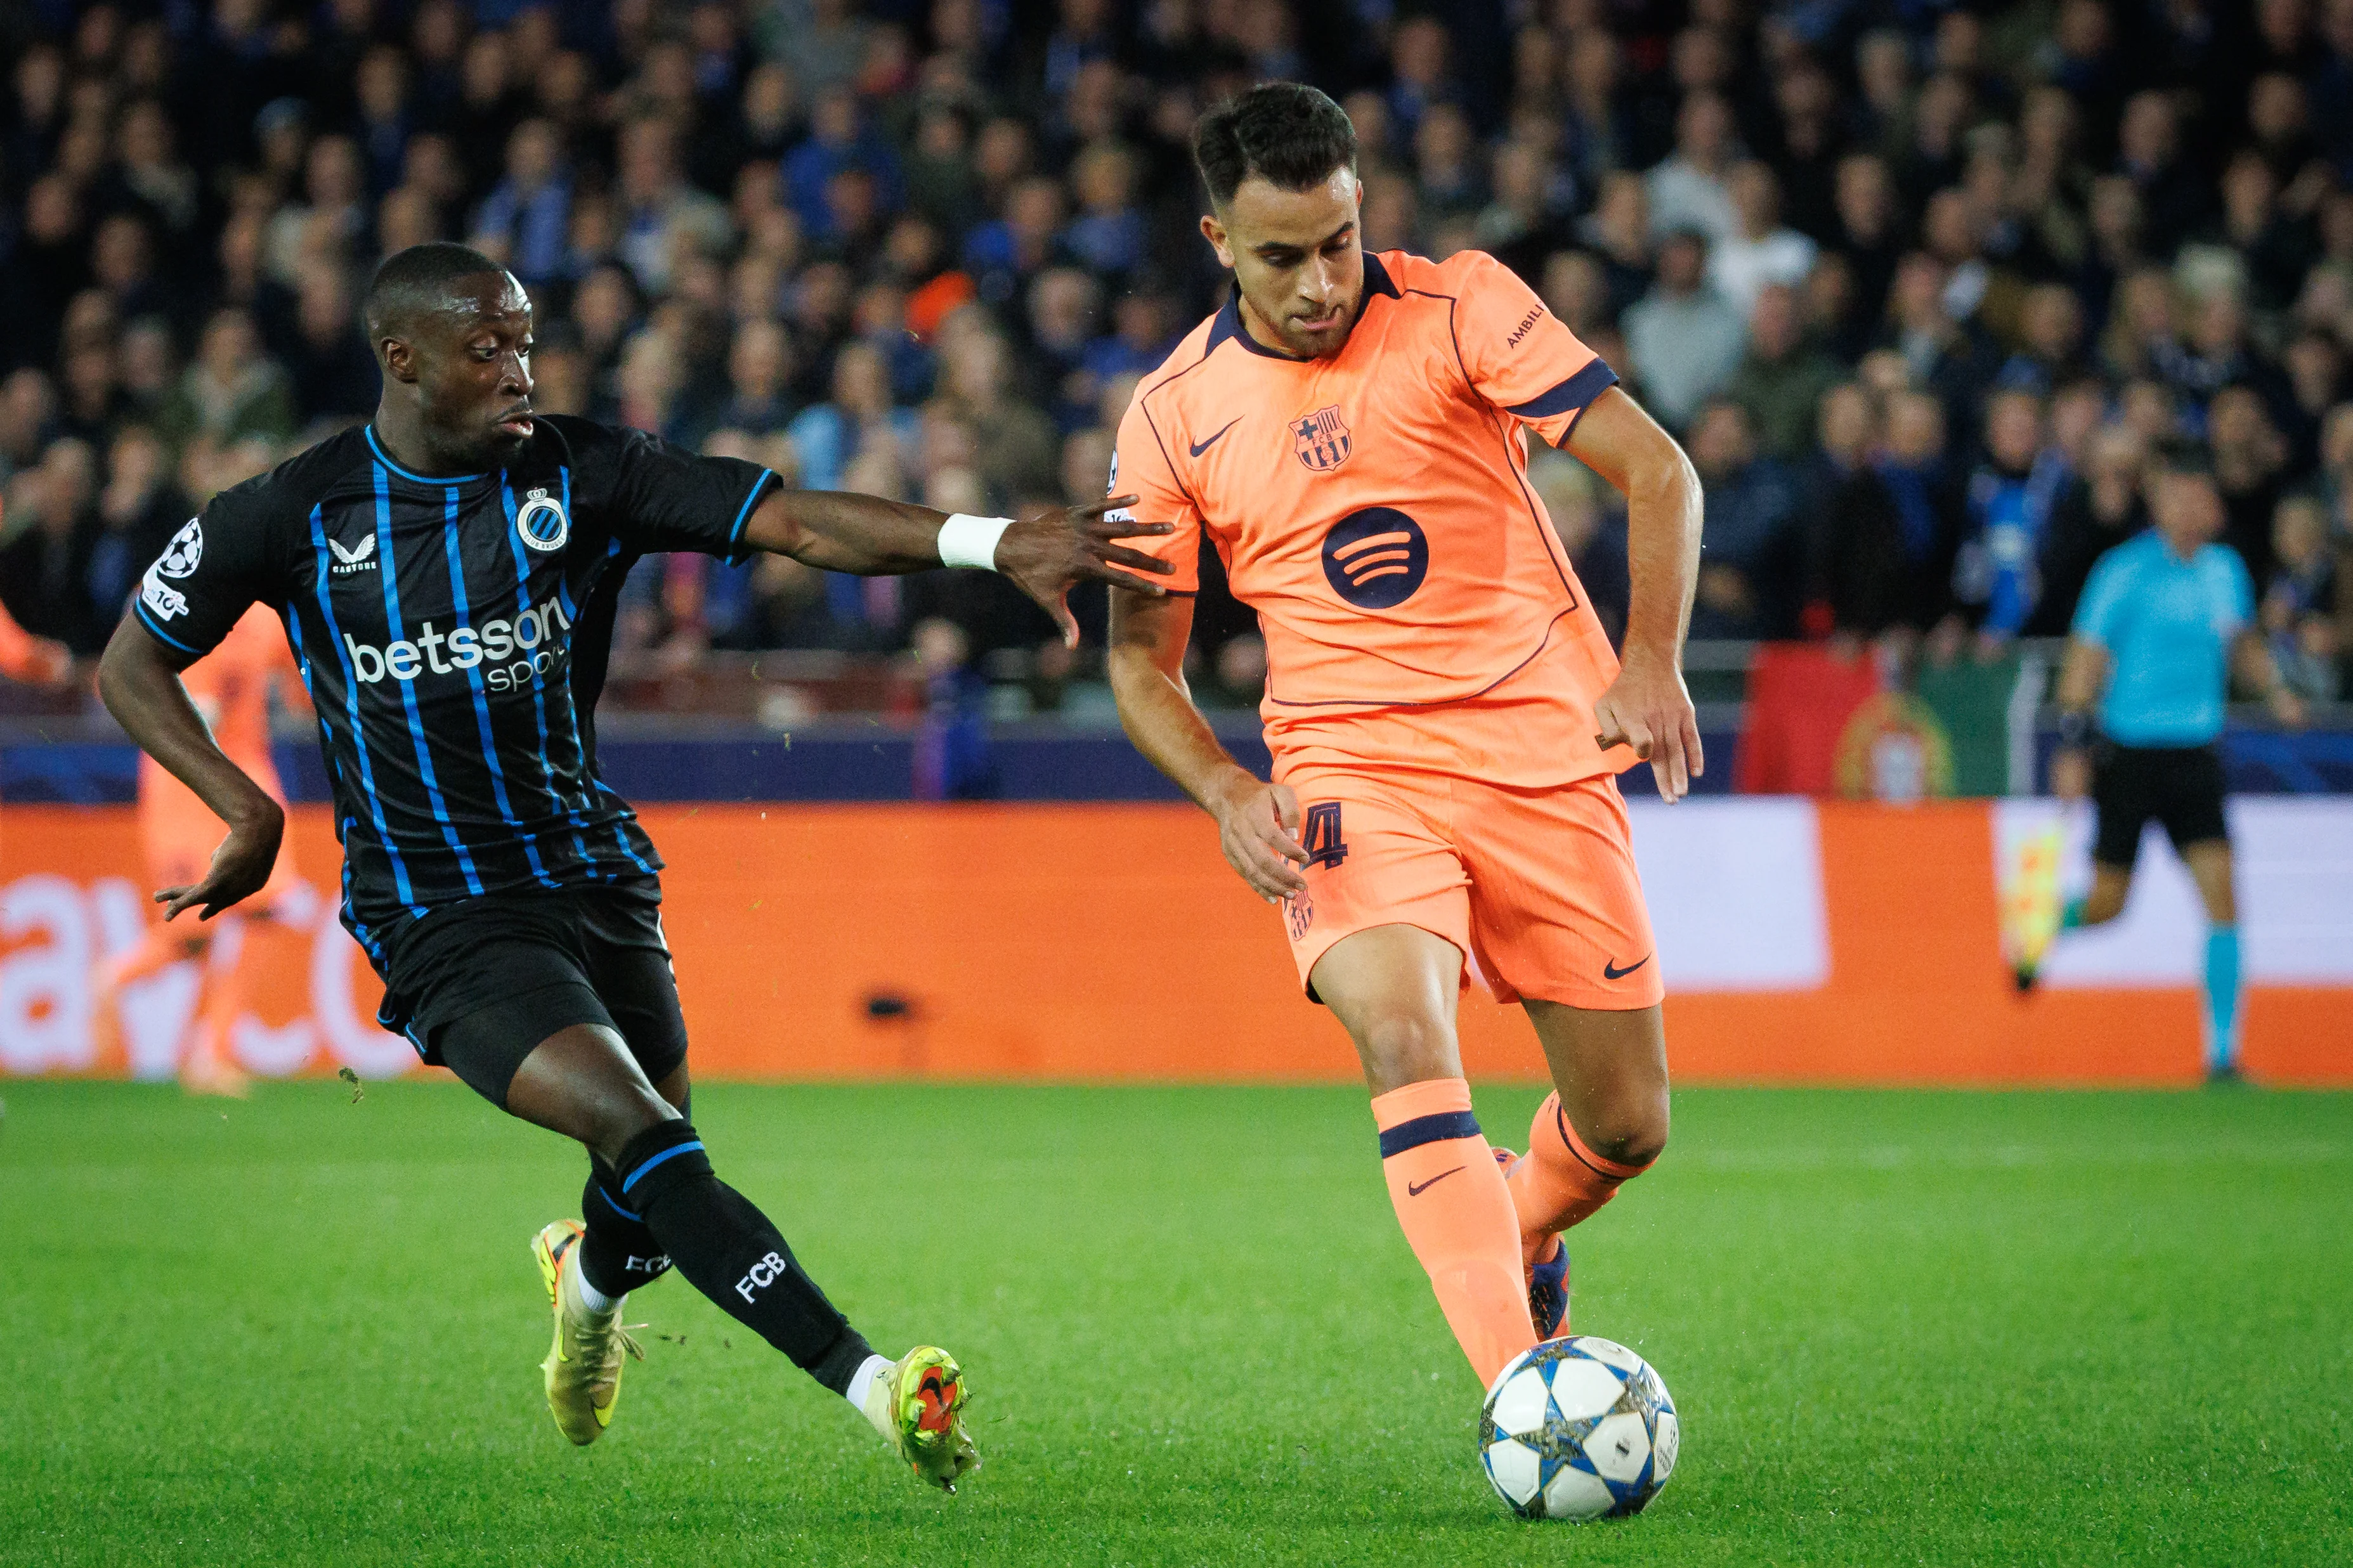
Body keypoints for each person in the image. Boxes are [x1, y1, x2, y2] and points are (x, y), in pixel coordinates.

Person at [96, 242, 1171, 1489]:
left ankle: (587, 1299)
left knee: (650, 1193)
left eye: (528, 340)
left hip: (593, 874)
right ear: (402, 358)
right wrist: (247, 808)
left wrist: (987, 542)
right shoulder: (291, 512)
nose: (521, 370)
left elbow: (794, 520)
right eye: (488, 346)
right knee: (647, 1136)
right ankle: (877, 1389)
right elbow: (131, 661)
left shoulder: (581, 471)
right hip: (442, 915)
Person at [1105, 85, 1700, 1393]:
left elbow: (1657, 471)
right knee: (1398, 1031)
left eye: (1338, 240)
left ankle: (1520, 1215)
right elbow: (1136, 661)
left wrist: (1649, 658)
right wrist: (1221, 787)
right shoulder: (1170, 415)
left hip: (1540, 748)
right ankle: (1518, 1397)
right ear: (1217, 243)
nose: (1321, 281)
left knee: (1626, 1124)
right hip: (1347, 766)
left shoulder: (1461, 305)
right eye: (1282, 256)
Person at [2014, 440, 2306, 1082]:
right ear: (2158, 500)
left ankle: (2221, 1055)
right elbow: (2083, 664)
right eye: (2176, 493)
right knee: (2107, 906)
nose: (2188, 506)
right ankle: (2036, 923)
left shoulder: (2223, 571)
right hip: (2128, 754)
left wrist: (2277, 691)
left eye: (2198, 495)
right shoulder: (2123, 570)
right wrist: (2070, 748)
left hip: (2194, 755)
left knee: (2223, 896)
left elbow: (2242, 647)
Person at [91, 604, 309, 1098]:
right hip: (184, 779)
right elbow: (147, 686)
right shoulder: (173, 598)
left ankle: (214, 1052)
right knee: (191, 934)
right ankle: (114, 976)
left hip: (250, 777)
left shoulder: (264, 615)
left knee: (269, 909)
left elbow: (302, 684)